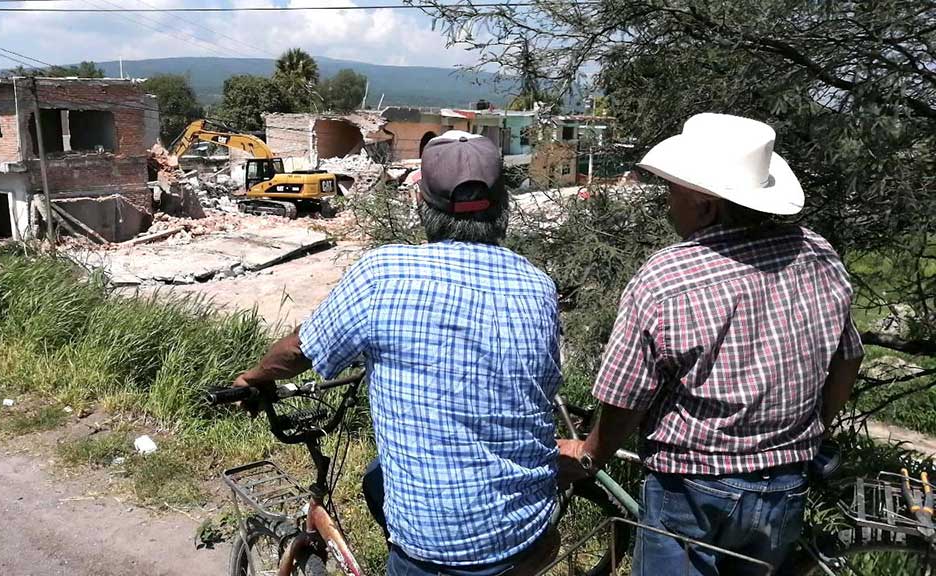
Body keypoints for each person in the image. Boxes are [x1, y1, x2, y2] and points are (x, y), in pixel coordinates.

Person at [234, 131, 563, 575]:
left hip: (441, 553)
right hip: (530, 532)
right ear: (502, 204)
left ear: (421, 206)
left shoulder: (384, 273)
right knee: (376, 477)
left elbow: (302, 348)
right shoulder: (538, 287)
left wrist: (256, 376)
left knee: (389, 491)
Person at [558, 113, 865, 575]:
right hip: (784, 486)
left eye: (673, 194)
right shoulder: (818, 254)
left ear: (705, 207)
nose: (667, 205)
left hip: (692, 491)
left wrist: (591, 454)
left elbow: (625, 399)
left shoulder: (667, 277)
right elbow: (847, 360)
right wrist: (812, 429)